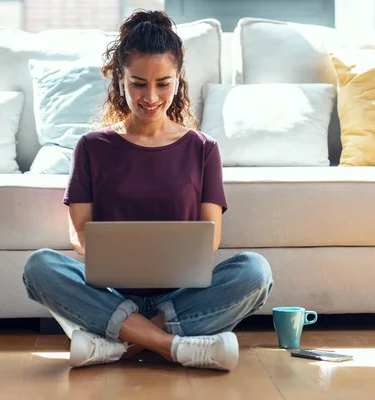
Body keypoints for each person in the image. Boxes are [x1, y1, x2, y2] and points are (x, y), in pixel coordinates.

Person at [22, 9, 273, 371]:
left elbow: (210, 238)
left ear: (179, 77)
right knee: (39, 266)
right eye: (138, 83)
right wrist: (113, 255)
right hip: (110, 294)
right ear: (119, 77)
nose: (151, 96)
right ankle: (173, 346)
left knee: (255, 272)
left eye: (163, 83)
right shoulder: (92, 147)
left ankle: (120, 345)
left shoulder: (203, 149)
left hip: (180, 295)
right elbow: (80, 235)